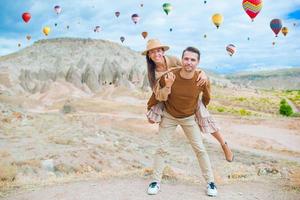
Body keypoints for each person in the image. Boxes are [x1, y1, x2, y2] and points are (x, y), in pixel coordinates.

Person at [143, 39, 233, 162]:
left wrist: (202, 73)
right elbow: (157, 94)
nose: (156, 54)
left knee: (204, 115)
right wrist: (164, 90)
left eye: (158, 51)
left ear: (163, 51)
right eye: (152, 52)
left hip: (186, 91)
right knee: (151, 119)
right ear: (148, 55)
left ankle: (224, 144)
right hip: (166, 96)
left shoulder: (174, 60)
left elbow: (190, 67)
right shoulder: (151, 73)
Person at [146, 47, 218, 197]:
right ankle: (155, 181)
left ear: (198, 62)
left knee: (200, 149)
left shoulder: (201, 79)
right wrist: (150, 107)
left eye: (193, 60)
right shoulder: (169, 75)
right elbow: (157, 95)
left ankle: (211, 182)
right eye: (186, 59)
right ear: (182, 59)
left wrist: (200, 108)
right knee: (162, 149)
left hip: (189, 118)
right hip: (169, 116)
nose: (189, 62)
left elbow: (207, 97)